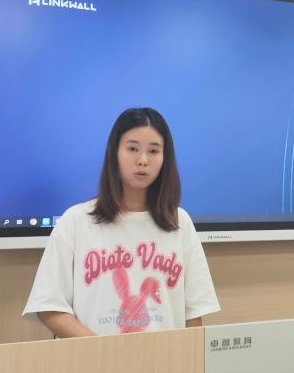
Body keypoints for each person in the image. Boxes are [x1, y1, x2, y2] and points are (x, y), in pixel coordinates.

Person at [23, 107, 220, 337]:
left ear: (165, 158)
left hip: (164, 358)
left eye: (154, 151)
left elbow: (193, 314)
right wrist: (105, 351)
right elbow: (50, 307)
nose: (143, 160)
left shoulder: (179, 222)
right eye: (133, 148)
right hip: (94, 359)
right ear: (114, 152)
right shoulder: (76, 221)